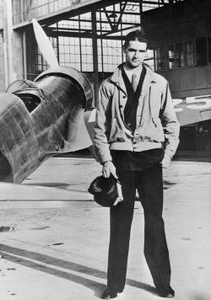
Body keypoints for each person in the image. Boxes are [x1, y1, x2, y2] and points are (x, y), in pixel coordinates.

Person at [93, 30, 180, 299]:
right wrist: (106, 160)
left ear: (146, 53)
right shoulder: (108, 86)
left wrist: (166, 156)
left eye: (141, 51)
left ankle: (162, 283)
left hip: (151, 157)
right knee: (120, 223)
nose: (136, 55)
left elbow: (171, 124)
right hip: (120, 160)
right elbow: (99, 128)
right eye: (132, 50)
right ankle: (115, 285)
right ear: (124, 50)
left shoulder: (158, 83)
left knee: (155, 222)